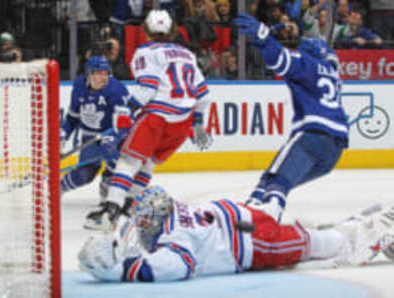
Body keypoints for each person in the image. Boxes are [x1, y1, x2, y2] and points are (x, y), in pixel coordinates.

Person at [78, 185, 394, 281]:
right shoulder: (169, 210)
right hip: (242, 215)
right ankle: (341, 231)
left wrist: (119, 271)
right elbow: (138, 230)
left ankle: (365, 236)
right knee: (300, 237)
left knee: (313, 245)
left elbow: (174, 267)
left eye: (145, 218)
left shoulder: (177, 239)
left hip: (251, 243)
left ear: (158, 215)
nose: (141, 223)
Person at [84, 10, 212, 230]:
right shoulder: (187, 54)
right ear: (172, 30)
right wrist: (198, 123)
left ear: (145, 31)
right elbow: (204, 96)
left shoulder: (145, 52)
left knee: (128, 161)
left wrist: (125, 111)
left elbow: (148, 89)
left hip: (158, 116)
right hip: (182, 121)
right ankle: (129, 203)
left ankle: (111, 211)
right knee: (148, 162)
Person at [234, 13, 349, 222]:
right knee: (276, 177)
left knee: (278, 182)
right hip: (335, 149)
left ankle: (264, 222)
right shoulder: (334, 75)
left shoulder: (308, 63)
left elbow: (280, 60)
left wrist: (264, 39)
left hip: (312, 135)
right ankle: (253, 206)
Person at [61, 55, 136, 200]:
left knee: (116, 164)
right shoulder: (79, 85)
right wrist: (63, 135)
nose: (104, 77)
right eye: (99, 73)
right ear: (89, 74)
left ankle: (108, 186)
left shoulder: (117, 90)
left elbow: (124, 123)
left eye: (106, 73)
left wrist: (113, 139)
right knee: (84, 175)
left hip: (115, 134)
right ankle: (58, 188)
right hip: (90, 135)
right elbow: (73, 116)